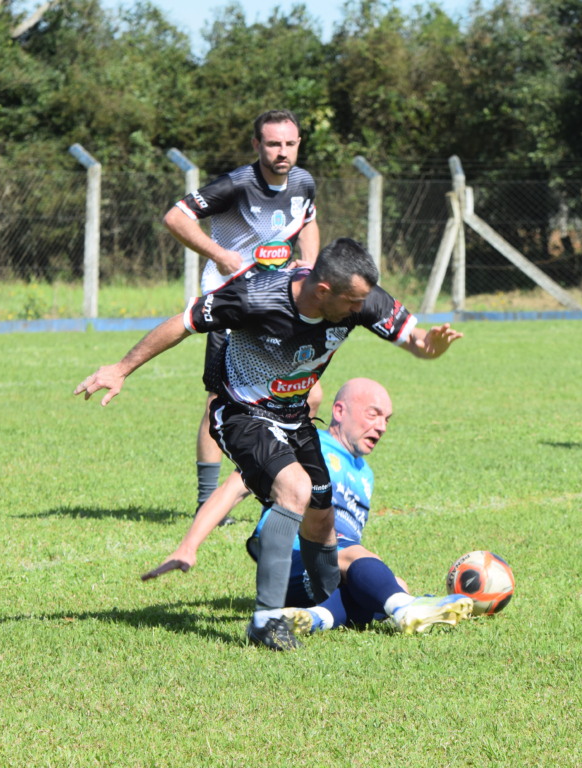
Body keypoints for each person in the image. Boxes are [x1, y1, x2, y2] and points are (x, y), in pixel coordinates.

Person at [75, 238, 464, 651]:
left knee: (321, 514)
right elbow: (182, 322)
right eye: (352, 303)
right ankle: (264, 620)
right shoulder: (255, 297)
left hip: (294, 417)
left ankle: (328, 601)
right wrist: (120, 368)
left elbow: (417, 340)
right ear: (323, 291)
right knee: (293, 489)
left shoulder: (362, 297)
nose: (360, 312)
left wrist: (430, 348)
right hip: (242, 413)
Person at [141, 378, 474, 640]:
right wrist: (188, 546)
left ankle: (312, 618)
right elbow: (233, 488)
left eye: (387, 418)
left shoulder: (365, 474)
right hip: (288, 561)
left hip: (317, 577)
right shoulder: (302, 445)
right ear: (340, 411)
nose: (382, 426)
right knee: (363, 565)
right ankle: (406, 610)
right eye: (373, 414)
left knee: (387, 583)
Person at [164, 109, 321, 526]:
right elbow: (175, 217)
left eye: (289, 143)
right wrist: (220, 254)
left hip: (279, 307)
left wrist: (311, 267)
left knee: (306, 394)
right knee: (222, 401)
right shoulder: (237, 184)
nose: (281, 152)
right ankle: (207, 499)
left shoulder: (303, 181)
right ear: (257, 146)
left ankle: (272, 482)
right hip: (231, 305)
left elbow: (308, 221)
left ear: (299, 144)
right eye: (272, 144)